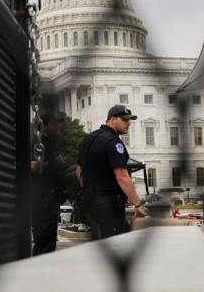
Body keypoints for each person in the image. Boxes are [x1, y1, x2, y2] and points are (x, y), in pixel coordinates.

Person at [75, 105, 148, 239]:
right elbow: (122, 177)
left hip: (90, 200)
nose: (128, 123)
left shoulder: (89, 139)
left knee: (100, 242)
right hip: (108, 202)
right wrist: (138, 204)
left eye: (129, 120)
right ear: (113, 119)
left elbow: (79, 171)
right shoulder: (113, 142)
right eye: (125, 120)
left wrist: (89, 192)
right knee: (118, 240)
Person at [31, 114, 67, 256]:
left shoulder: (49, 144)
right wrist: (53, 163)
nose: (58, 126)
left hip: (51, 200)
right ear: (45, 127)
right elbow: (32, 165)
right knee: (44, 243)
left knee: (49, 244)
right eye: (54, 123)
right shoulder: (39, 143)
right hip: (43, 201)